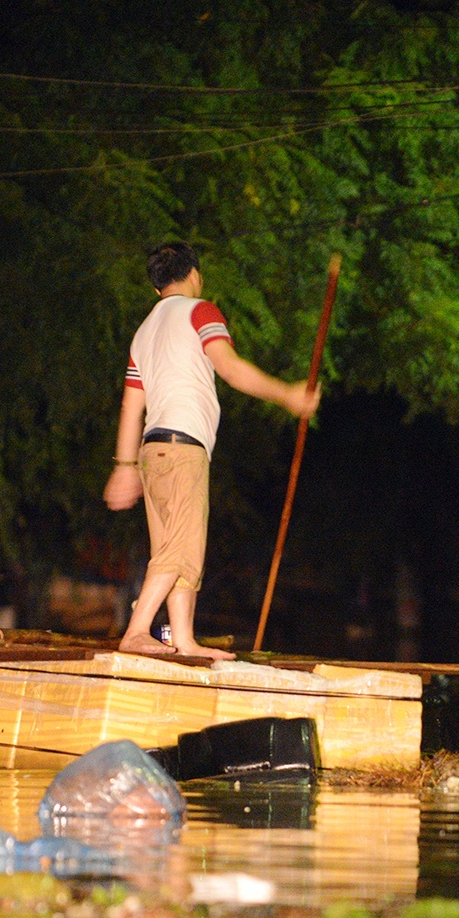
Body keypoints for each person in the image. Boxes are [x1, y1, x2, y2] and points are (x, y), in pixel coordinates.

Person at [103, 242, 320, 659]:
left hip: (153, 449)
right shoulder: (200, 311)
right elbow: (231, 368)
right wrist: (287, 396)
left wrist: (126, 466)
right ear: (195, 274)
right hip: (183, 446)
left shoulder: (144, 332)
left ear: (155, 288)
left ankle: (182, 638)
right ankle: (135, 631)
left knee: (180, 545)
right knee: (180, 547)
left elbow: (132, 406)